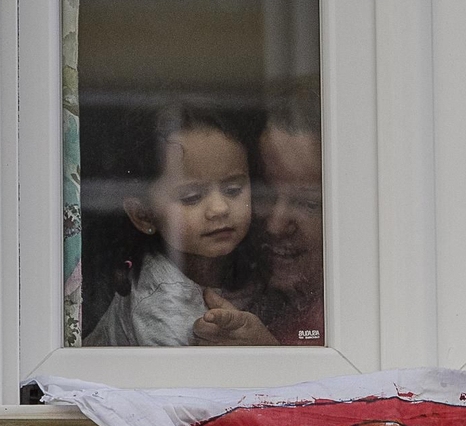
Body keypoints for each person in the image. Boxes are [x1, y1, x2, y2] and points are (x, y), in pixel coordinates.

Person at [86, 104, 276, 347]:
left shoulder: (252, 258)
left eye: (233, 190)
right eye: (191, 197)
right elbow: (177, 382)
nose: (219, 208)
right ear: (144, 215)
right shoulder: (158, 306)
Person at [192, 87, 324, 346]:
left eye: (309, 203)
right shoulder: (236, 284)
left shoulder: (354, 321)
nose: (275, 225)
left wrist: (264, 360)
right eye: (264, 194)